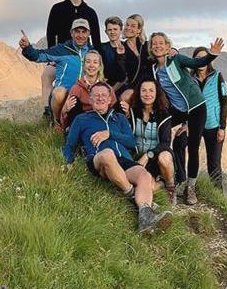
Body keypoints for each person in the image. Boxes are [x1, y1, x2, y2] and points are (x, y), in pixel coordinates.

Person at [62, 82, 170, 234]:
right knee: (107, 153)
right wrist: (68, 162)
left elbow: (132, 143)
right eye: (96, 95)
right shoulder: (81, 119)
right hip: (99, 159)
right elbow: (69, 145)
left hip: (124, 160)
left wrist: (110, 134)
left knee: (144, 174)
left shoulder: (119, 118)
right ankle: (134, 196)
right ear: (90, 100)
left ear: (109, 100)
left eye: (103, 95)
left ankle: (146, 217)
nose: (100, 98)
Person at [148, 31, 224, 204]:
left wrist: (212, 54)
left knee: (193, 147)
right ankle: (169, 176)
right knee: (161, 126)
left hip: (197, 107)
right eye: (154, 43)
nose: (158, 46)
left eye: (161, 43)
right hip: (179, 110)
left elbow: (197, 62)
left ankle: (191, 187)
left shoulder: (176, 60)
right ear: (151, 48)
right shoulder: (154, 69)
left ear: (168, 46)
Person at [39, 0, 98, 117]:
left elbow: (96, 38)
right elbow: (51, 33)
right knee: (46, 75)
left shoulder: (90, 12)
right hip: (61, 54)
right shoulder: (57, 8)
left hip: (83, 56)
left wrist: (96, 60)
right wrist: (52, 58)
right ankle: (48, 111)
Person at [20, 18, 95, 126]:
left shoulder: (93, 52)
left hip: (83, 95)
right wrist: (27, 48)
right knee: (59, 93)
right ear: (71, 33)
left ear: (89, 34)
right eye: (77, 31)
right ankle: (56, 122)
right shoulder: (61, 50)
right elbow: (39, 56)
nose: (80, 35)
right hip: (63, 95)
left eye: (84, 32)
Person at [126, 80, 185, 194]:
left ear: (157, 93)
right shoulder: (132, 112)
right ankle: (161, 184)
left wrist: (148, 155)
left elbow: (165, 143)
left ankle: (170, 187)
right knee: (149, 187)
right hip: (137, 157)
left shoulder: (164, 115)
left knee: (165, 157)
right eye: (143, 90)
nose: (147, 94)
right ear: (138, 93)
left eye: (151, 90)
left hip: (155, 157)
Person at [189, 48, 227, 188]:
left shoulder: (217, 76)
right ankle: (189, 187)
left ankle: (218, 195)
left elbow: (224, 102)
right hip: (196, 125)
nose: (202, 61)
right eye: (198, 58)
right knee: (193, 157)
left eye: (204, 57)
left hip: (214, 126)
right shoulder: (190, 79)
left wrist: (222, 127)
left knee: (214, 163)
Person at [98, 15, 147, 102]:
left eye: (133, 26)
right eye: (127, 25)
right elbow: (121, 74)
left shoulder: (145, 45)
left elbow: (159, 50)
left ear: (139, 30)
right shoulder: (122, 48)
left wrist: (173, 50)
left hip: (148, 85)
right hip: (129, 87)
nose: (128, 28)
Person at [55, 50, 107, 130]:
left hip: (101, 122)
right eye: (88, 62)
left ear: (100, 66)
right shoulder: (76, 88)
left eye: (95, 62)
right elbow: (66, 117)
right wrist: (65, 110)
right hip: (82, 124)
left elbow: (113, 111)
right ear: (83, 65)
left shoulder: (106, 88)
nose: (91, 65)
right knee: (74, 103)